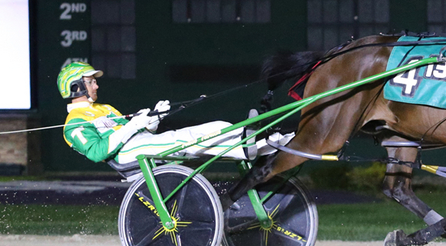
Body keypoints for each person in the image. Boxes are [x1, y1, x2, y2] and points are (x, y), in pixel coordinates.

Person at [58, 62, 292, 165]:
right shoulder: (74, 124)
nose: (96, 86)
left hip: (142, 142)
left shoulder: (104, 109)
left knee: (212, 127)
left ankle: (271, 142)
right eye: (90, 82)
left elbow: (139, 130)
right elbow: (98, 153)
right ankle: (248, 146)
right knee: (189, 140)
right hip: (127, 155)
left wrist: (154, 118)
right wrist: (133, 125)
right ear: (76, 87)